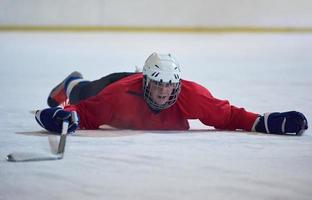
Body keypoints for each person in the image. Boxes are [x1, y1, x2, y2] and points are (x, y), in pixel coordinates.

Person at [35, 52, 308, 135]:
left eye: (169, 85)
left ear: (177, 84)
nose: (164, 92)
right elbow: (84, 113)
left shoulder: (193, 94)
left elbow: (228, 116)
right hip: (117, 82)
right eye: (158, 84)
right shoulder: (119, 94)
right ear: (146, 82)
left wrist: (264, 121)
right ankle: (72, 81)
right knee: (83, 92)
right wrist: (64, 115)